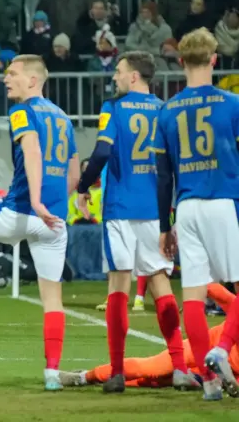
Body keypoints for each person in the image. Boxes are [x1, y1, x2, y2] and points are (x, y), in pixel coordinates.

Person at [75, 51, 198, 393]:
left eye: (118, 71)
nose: (114, 77)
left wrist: (83, 186)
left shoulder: (113, 108)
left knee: (118, 284)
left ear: (133, 77)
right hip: (155, 208)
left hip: (120, 206)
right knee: (159, 282)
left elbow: (101, 152)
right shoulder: (164, 110)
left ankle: (116, 372)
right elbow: (172, 163)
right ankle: (178, 368)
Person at [0, 54, 80, 391]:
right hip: (54, 222)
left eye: (12, 74)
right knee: (52, 299)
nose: (5, 79)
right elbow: (75, 173)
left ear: (33, 80)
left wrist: (37, 201)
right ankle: (52, 374)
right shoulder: (63, 117)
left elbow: (32, 151)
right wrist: (54, 205)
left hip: (21, 211)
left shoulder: (22, 111)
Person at [153, 27, 239, 401]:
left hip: (185, 207)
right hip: (224, 200)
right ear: (215, 60)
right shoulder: (232, 104)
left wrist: (163, 226)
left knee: (193, 295)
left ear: (182, 61)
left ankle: (209, 381)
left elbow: (162, 175)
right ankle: (221, 351)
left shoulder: (168, 110)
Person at [59, 283, 237, 389]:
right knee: (152, 368)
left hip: (220, 371)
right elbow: (218, 292)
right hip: (203, 347)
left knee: (154, 381)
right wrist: (196, 296)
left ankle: (98, 379)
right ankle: (85, 377)